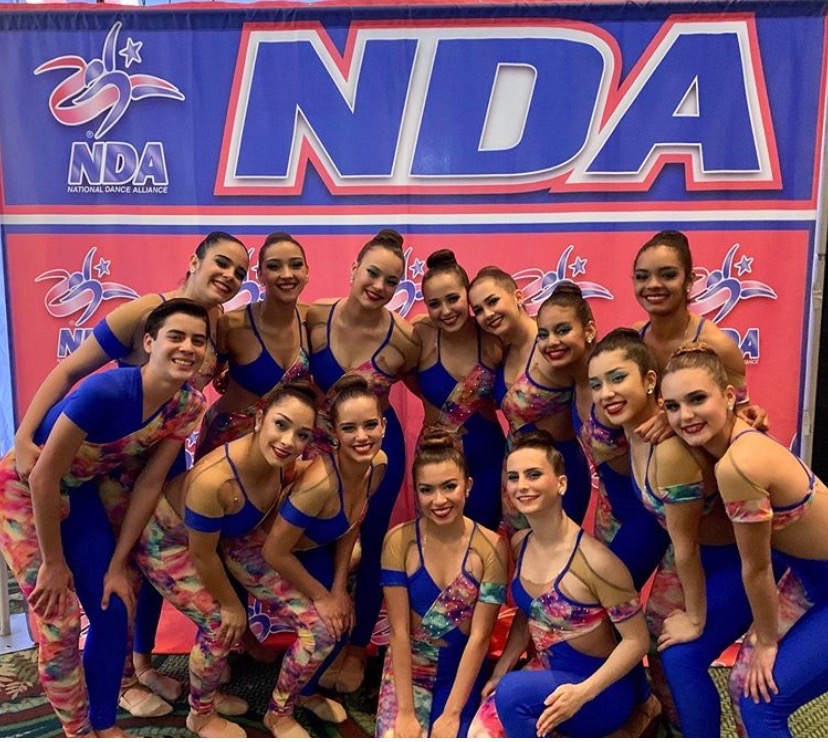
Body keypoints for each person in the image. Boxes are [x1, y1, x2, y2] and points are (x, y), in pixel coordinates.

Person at [10, 232, 249, 708]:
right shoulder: (144, 311)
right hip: (101, 459)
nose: (230, 276)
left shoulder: (218, 324)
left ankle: (146, 664)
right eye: (221, 263)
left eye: (241, 272)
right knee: (111, 576)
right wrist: (22, 435)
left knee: (150, 557)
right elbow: (68, 372)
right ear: (194, 260)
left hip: (155, 452)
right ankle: (122, 682)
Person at [0, 299, 209, 738]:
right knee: (60, 622)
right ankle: (77, 731)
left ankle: (104, 724)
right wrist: (55, 565)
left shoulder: (188, 404)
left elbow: (150, 485)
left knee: (115, 606)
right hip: (26, 491)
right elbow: (42, 478)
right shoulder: (105, 391)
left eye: (198, 339)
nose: (188, 347)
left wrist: (117, 564)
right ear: (149, 342)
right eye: (176, 336)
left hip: (79, 494)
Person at [588, 329, 752, 736]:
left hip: (734, 562)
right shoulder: (637, 431)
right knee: (655, 639)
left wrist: (696, 619)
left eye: (617, 378)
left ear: (648, 381)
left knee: (683, 655)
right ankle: (665, 719)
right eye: (597, 384)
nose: (606, 392)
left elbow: (688, 547)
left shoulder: (671, 448)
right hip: (693, 560)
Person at [661, 345, 828, 737]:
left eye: (697, 399)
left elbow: (756, 567)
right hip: (810, 579)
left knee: (759, 700)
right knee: (739, 682)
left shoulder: (739, 464)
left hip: (812, 581)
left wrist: (767, 640)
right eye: (672, 406)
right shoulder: (735, 440)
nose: (684, 416)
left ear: (730, 396)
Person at [135, 381, 318, 738]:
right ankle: (200, 713)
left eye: (301, 434)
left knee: (316, 621)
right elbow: (202, 555)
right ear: (260, 419)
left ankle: (279, 712)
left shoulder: (284, 461)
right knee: (220, 623)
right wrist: (233, 607)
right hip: (168, 544)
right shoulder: (213, 480)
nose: (288, 441)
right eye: (281, 425)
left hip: (231, 539)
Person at [220, 375, 388, 736]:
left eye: (370, 425)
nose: (362, 437)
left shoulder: (377, 464)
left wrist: (340, 588)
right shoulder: (320, 484)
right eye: (350, 428)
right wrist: (322, 597)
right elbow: (274, 550)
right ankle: (277, 713)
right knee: (321, 629)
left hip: (305, 546)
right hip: (256, 552)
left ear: (383, 424)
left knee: (344, 617)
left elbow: (351, 525)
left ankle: (305, 691)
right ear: (334, 432)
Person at [468, 430, 649, 738]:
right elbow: (528, 613)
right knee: (480, 728)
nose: (522, 486)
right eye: (513, 477)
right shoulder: (520, 543)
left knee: (511, 694)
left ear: (561, 483)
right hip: (547, 676)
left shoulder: (597, 563)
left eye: (534, 474)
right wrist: (502, 670)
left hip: (598, 690)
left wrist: (582, 693)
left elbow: (637, 641)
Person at [307, 229, 420, 692]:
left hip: (376, 454)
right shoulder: (313, 318)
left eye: (391, 281)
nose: (378, 286)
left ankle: (356, 649)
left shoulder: (404, 340)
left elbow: (436, 384)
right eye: (372, 273)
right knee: (316, 542)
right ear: (354, 269)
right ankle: (314, 639)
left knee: (373, 544)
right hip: (319, 449)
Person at [536, 283, 669, 589]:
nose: (551, 341)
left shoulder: (619, 378)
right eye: (543, 334)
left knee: (602, 597)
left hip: (647, 514)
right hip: (610, 509)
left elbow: (680, 394)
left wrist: (670, 420)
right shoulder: (570, 379)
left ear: (589, 330)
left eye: (563, 330)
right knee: (598, 605)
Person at [376, 429, 507, 737]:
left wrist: (453, 713)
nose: (439, 500)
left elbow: (480, 636)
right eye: (427, 490)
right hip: (409, 668)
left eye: (449, 487)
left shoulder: (492, 547)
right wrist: (406, 712)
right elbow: (398, 631)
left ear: (468, 486)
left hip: (461, 670)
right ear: (416, 492)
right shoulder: (399, 541)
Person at [467, 267, 591, 534]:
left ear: (518, 296)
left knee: (556, 563)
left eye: (492, 301)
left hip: (558, 472)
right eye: (478, 309)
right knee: (521, 558)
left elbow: (600, 373)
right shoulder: (502, 350)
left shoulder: (553, 345)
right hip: (515, 473)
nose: (487, 314)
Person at [407, 249, 506, 530]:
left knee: (484, 539)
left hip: (487, 458)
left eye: (453, 299)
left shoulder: (492, 337)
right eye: (434, 303)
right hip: (434, 459)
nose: (446, 311)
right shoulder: (420, 335)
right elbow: (394, 371)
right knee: (436, 541)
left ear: (468, 294)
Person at [632, 229, 767, 435]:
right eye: (642, 277)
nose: (653, 285)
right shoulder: (633, 339)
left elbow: (741, 419)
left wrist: (674, 419)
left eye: (668, 275)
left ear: (689, 280)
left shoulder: (718, 346)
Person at [195, 232, 311, 459]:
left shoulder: (313, 320)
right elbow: (202, 379)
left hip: (280, 444)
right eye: (274, 266)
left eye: (296, 265)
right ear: (260, 275)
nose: (286, 274)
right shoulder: (231, 324)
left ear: (307, 272)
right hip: (227, 437)